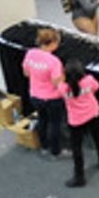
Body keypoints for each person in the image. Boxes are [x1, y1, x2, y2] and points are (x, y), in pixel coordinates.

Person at [58, 59, 99, 188]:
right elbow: (97, 87)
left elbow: (60, 93)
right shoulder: (89, 80)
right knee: (98, 138)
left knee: (77, 148)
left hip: (76, 120)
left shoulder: (63, 88)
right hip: (93, 113)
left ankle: (79, 177)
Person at [21, 27, 65, 158]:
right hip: (52, 98)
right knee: (55, 124)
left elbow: (26, 73)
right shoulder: (54, 61)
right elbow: (57, 82)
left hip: (35, 96)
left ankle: (44, 146)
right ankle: (56, 151)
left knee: (42, 120)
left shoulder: (30, 53)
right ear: (51, 43)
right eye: (57, 43)